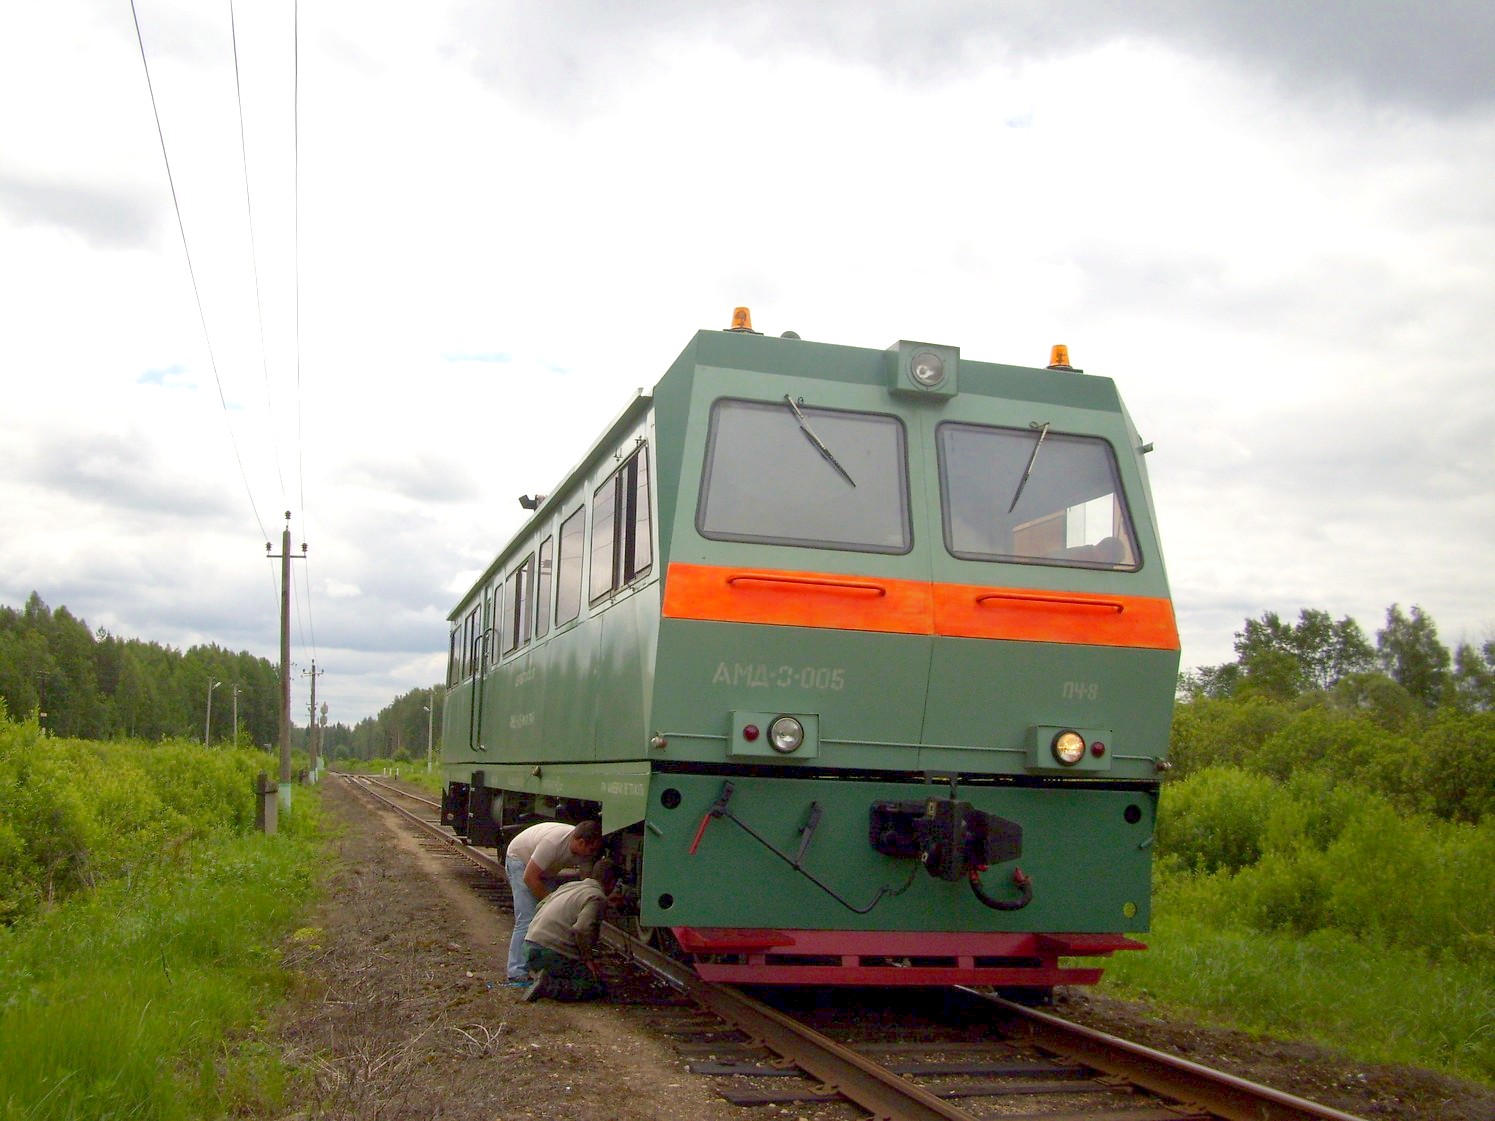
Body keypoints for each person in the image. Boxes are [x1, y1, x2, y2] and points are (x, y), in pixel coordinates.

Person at [504, 819, 603, 983]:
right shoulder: (553, 843)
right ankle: (516, 972)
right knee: (527, 917)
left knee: (546, 916)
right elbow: (529, 877)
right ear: (581, 842)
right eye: (590, 849)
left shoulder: (583, 850)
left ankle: (543, 967)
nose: (591, 854)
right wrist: (550, 901)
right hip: (520, 861)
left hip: (546, 869)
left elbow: (585, 882)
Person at [522, 857, 618, 1002]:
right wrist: (588, 959)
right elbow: (582, 929)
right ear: (612, 883)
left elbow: (539, 906)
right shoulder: (596, 898)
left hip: (529, 947)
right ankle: (548, 986)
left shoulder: (570, 886)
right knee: (594, 985)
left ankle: (544, 975)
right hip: (548, 953)